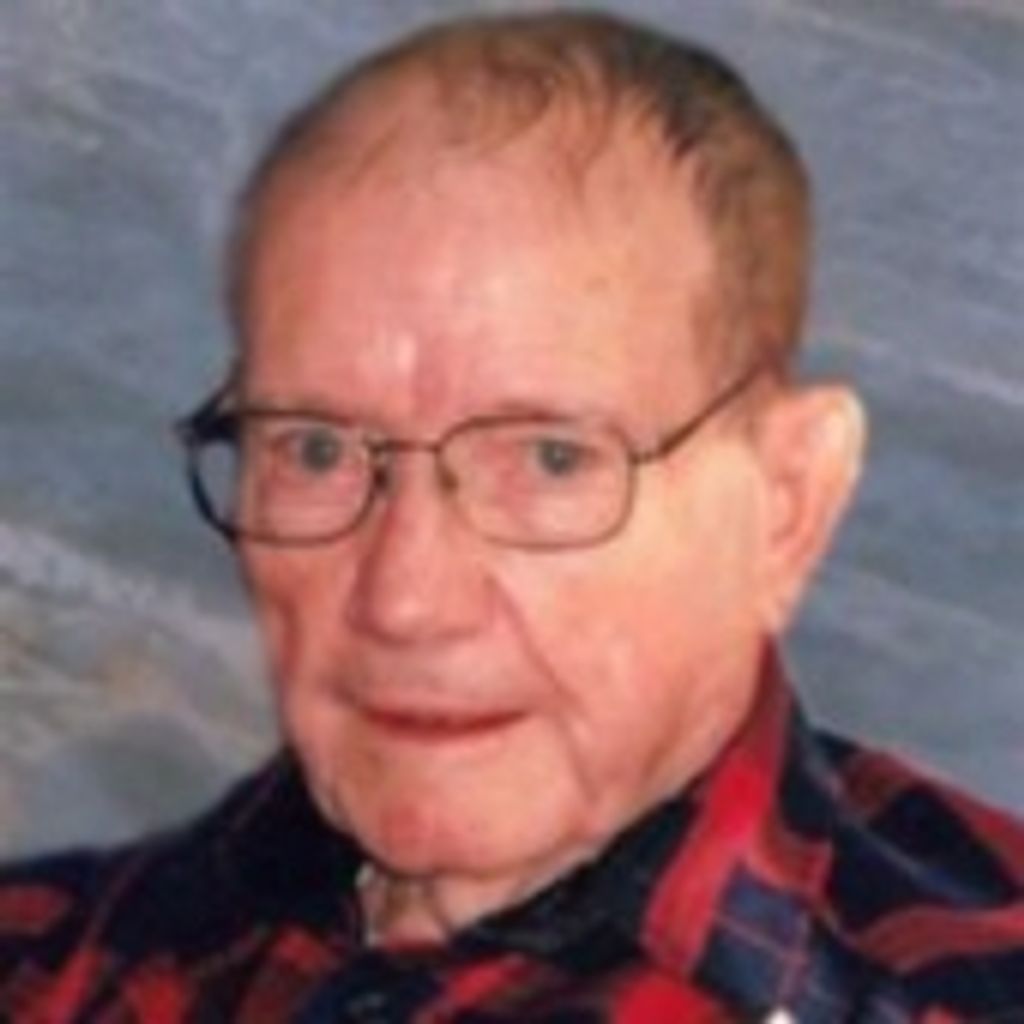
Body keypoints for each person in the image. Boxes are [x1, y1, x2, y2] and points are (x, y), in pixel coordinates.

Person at [1, 10, 1022, 1022]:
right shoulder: (92, 951)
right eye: (316, 450)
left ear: (783, 502)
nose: (404, 598)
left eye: (548, 459)